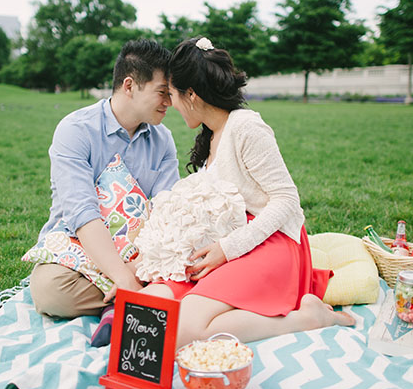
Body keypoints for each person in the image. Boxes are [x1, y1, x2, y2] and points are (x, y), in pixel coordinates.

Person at [135, 36, 354, 349]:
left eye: (172, 95)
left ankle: (310, 319)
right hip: (232, 239)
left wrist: (229, 247)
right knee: (151, 310)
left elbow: (287, 201)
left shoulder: (246, 127)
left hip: (270, 240)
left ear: (192, 95)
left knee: (183, 331)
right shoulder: (210, 134)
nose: (169, 104)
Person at [29, 40, 180, 319]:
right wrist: (123, 278)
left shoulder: (163, 140)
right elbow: (82, 214)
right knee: (52, 292)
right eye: (162, 92)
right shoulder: (75, 130)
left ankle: (124, 299)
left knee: (189, 263)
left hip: (140, 250)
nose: (169, 102)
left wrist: (138, 266)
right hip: (79, 245)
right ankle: (135, 296)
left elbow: (166, 211)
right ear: (129, 86)